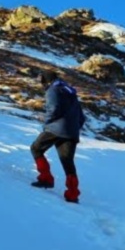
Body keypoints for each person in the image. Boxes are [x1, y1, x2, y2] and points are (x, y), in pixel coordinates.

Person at [30, 69, 85, 203]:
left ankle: (46, 178)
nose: (40, 83)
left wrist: (47, 124)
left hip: (56, 128)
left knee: (36, 148)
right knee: (67, 160)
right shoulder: (69, 90)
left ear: (46, 80)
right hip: (71, 131)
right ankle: (72, 194)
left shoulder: (52, 90)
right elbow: (81, 116)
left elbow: (53, 109)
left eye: (41, 80)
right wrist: (74, 128)